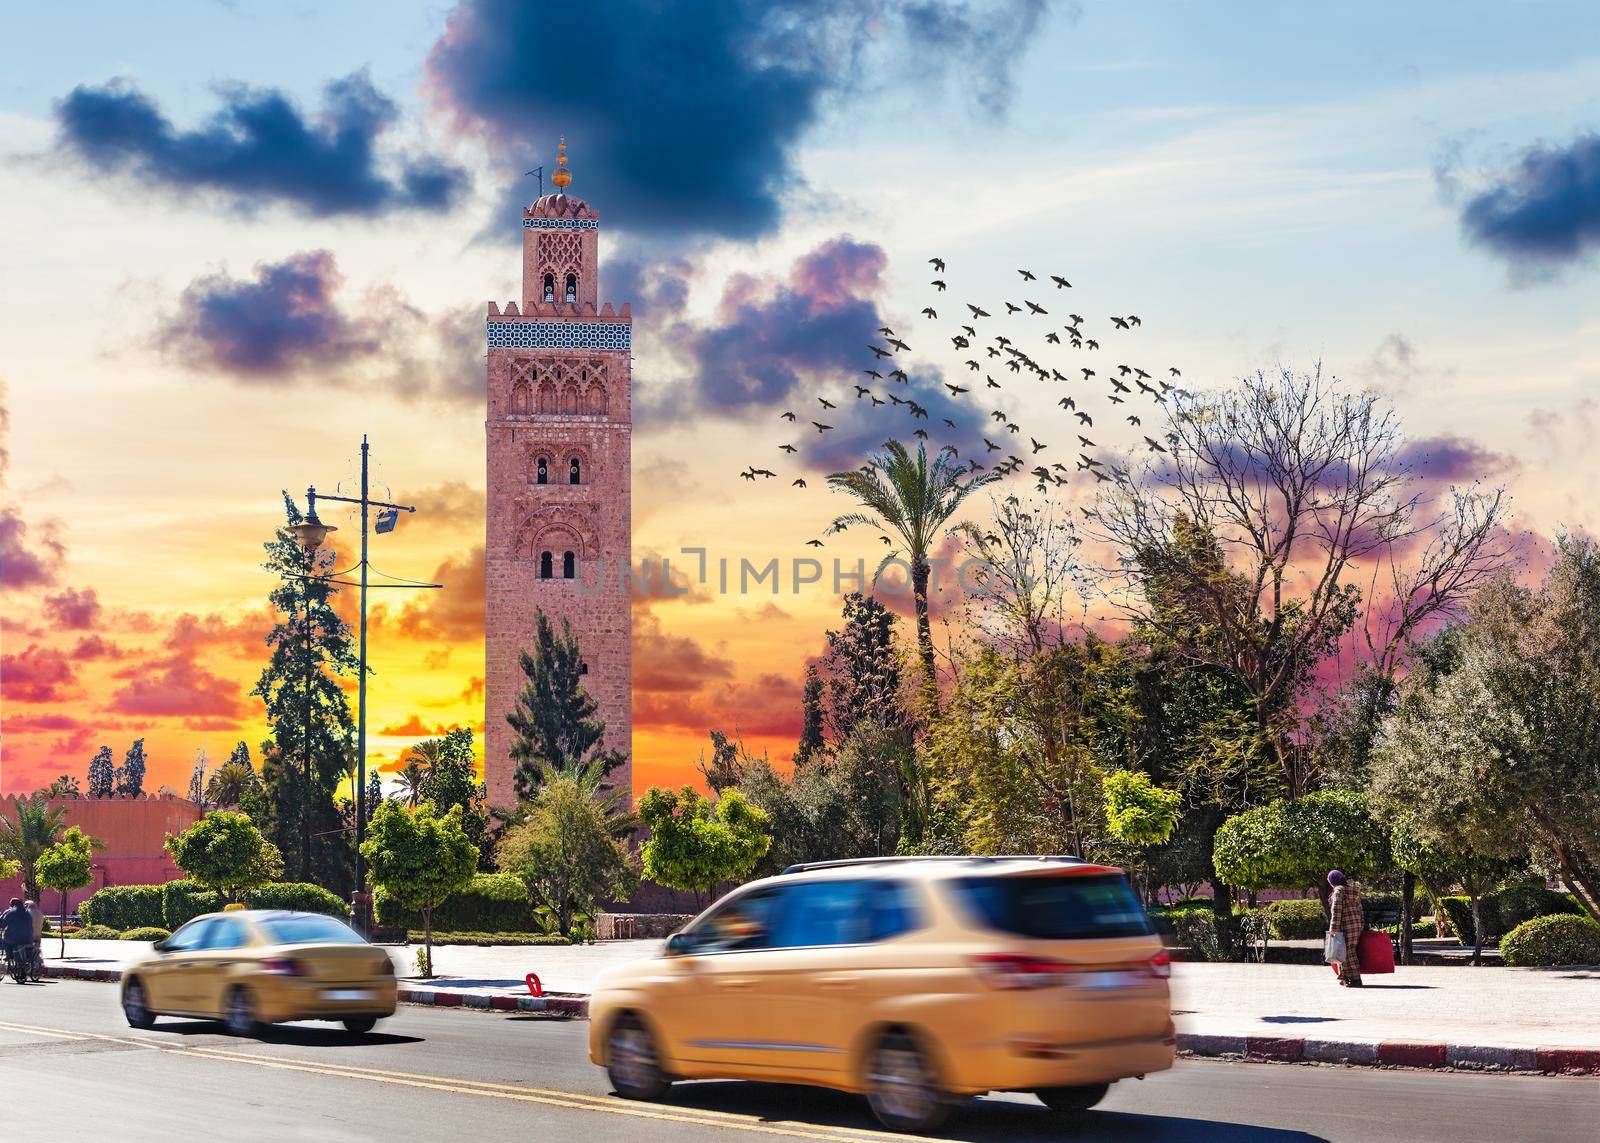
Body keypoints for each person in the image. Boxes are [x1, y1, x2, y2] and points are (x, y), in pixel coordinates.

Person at [1328, 870, 1364, 987]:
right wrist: (1361, 924)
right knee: (1343, 951)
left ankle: (1355, 979)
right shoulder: (1353, 891)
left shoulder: (1338, 891)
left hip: (1344, 926)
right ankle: (1345, 977)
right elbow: (1360, 910)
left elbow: (1336, 911)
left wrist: (1333, 928)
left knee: (1348, 953)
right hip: (1355, 925)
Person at [1, 898, 33, 976]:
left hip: (12, 937)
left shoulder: (11, 912)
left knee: (4, 941)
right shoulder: (27, 913)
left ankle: (9, 956)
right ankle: (22, 965)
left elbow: (2, 924)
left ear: (12, 905)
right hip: (27, 938)